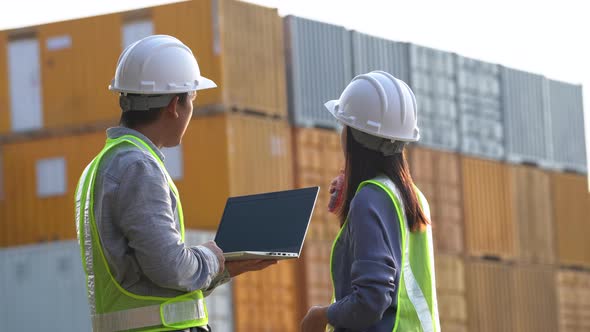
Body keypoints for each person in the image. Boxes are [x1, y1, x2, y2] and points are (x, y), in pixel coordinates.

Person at [74, 35, 276, 332]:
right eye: (192, 98)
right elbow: (171, 267)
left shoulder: (103, 165)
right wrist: (212, 255)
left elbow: (144, 279)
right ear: (174, 105)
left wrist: (224, 269)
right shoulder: (138, 166)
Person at [301, 71, 440, 332]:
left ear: (353, 135)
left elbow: (371, 300)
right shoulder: (413, 198)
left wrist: (321, 316)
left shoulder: (371, 199)